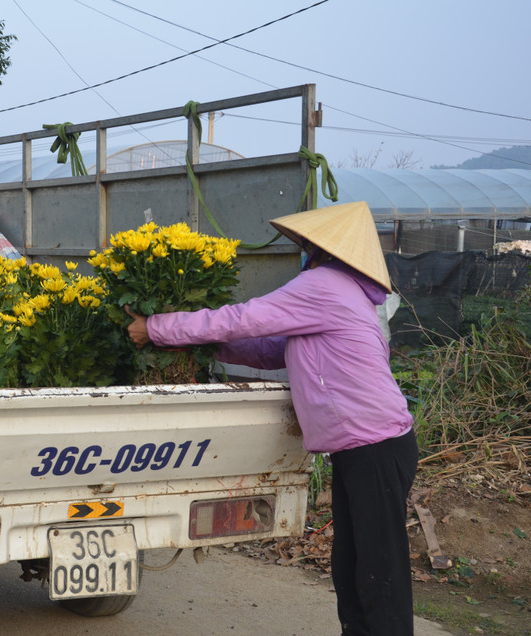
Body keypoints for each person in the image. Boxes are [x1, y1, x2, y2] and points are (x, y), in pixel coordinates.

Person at [125, 201, 418, 636]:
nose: (302, 252)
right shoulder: (346, 294)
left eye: (305, 245)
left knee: (379, 573)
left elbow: (244, 319)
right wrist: (204, 347)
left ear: (321, 250)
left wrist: (157, 328)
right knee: (353, 565)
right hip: (365, 448)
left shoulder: (324, 285)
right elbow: (272, 350)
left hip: (373, 448)